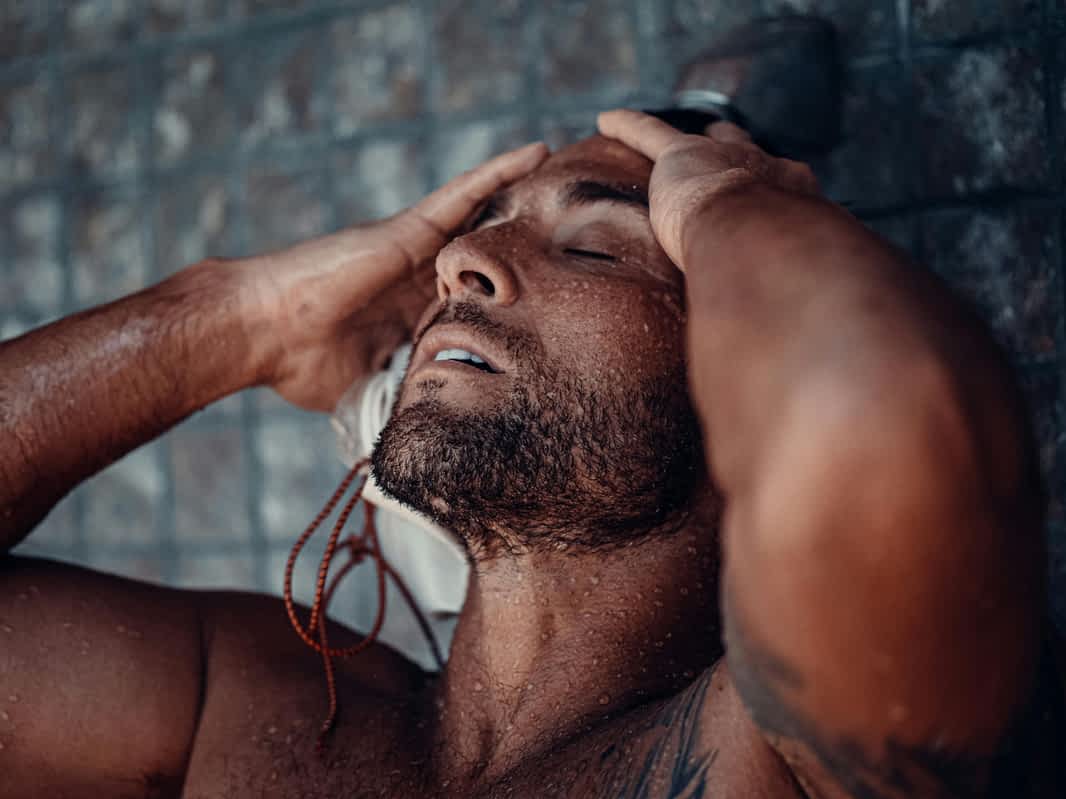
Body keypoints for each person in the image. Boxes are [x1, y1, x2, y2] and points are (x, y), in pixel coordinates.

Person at [0, 109, 1063, 799]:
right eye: (483, 229)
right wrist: (231, 318)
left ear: (730, 380)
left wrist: (733, 200)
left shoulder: (764, 756)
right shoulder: (260, 706)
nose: (458, 259)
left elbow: (885, 418)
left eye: (595, 247)